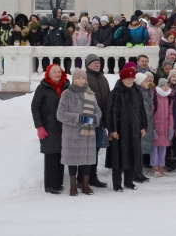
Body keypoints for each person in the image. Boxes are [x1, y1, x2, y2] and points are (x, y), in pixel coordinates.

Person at [57, 67, 102, 196]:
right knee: (73, 161)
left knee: (87, 160)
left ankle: (85, 185)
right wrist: (78, 118)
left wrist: (94, 119)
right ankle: (73, 186)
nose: (81, 81)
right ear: (74, 80)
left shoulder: (91, 93)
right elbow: (60, 114)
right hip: (72, 133)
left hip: (88, 134)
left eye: (83, 78)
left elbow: (98, 111)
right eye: (78, 78)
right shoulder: (67, 93)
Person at [105, 67, 147, 191]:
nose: (130, 81)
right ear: (122, 79)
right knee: (118, 158)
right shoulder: (115, 92)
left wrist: (144, 126)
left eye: (131, 79)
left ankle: (129, 182)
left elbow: (141, 111)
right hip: (120, 130)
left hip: (134, 130)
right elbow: (110, 112)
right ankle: (117, 184)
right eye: (127, 79)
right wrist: (112, 129)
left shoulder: (137, 91)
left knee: (132, 155)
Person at [32, 64, 69, 194]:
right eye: (55, 72)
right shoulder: (42, 88)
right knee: (51, 155)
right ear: (48, 74)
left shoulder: (66, 86)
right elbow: (35, 107)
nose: (58, 74)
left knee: (61, 154)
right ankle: (50, 185)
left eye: (59, 72)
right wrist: (39, 126)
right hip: (49, 125)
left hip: (64, 126)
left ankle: (58, 183)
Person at [83, 54, 110, 188]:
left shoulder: (103, 78)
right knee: (86, 151)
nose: (97, 64)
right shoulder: (84, 78)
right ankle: (82, 178)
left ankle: (92, 177)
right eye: (94, 62)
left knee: (96, 150)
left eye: (98, 62)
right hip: (88, 121)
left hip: (100, 121)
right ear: (88, 64)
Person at [151, 78, 175, 177]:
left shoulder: (169, 98)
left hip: (165, 126)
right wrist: (152, 128)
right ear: (160, 86)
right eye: (164, 85)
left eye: (167, 85)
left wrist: (171, 127)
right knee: (155, 147)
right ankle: (155, 166)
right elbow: (151, 113)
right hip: (157, 126)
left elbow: (170, 114)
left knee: (163, 147)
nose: (166, 87)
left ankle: (162, 165)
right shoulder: (154, 97)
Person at [134, 72, 155, 175]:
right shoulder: (138, 94)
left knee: (144, 147)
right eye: (145, 81)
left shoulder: (149, 92)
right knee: (139, 148)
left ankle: (139, 170)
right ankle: (137, 171)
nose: (148, 82)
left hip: (147, 123)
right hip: (140, 124)